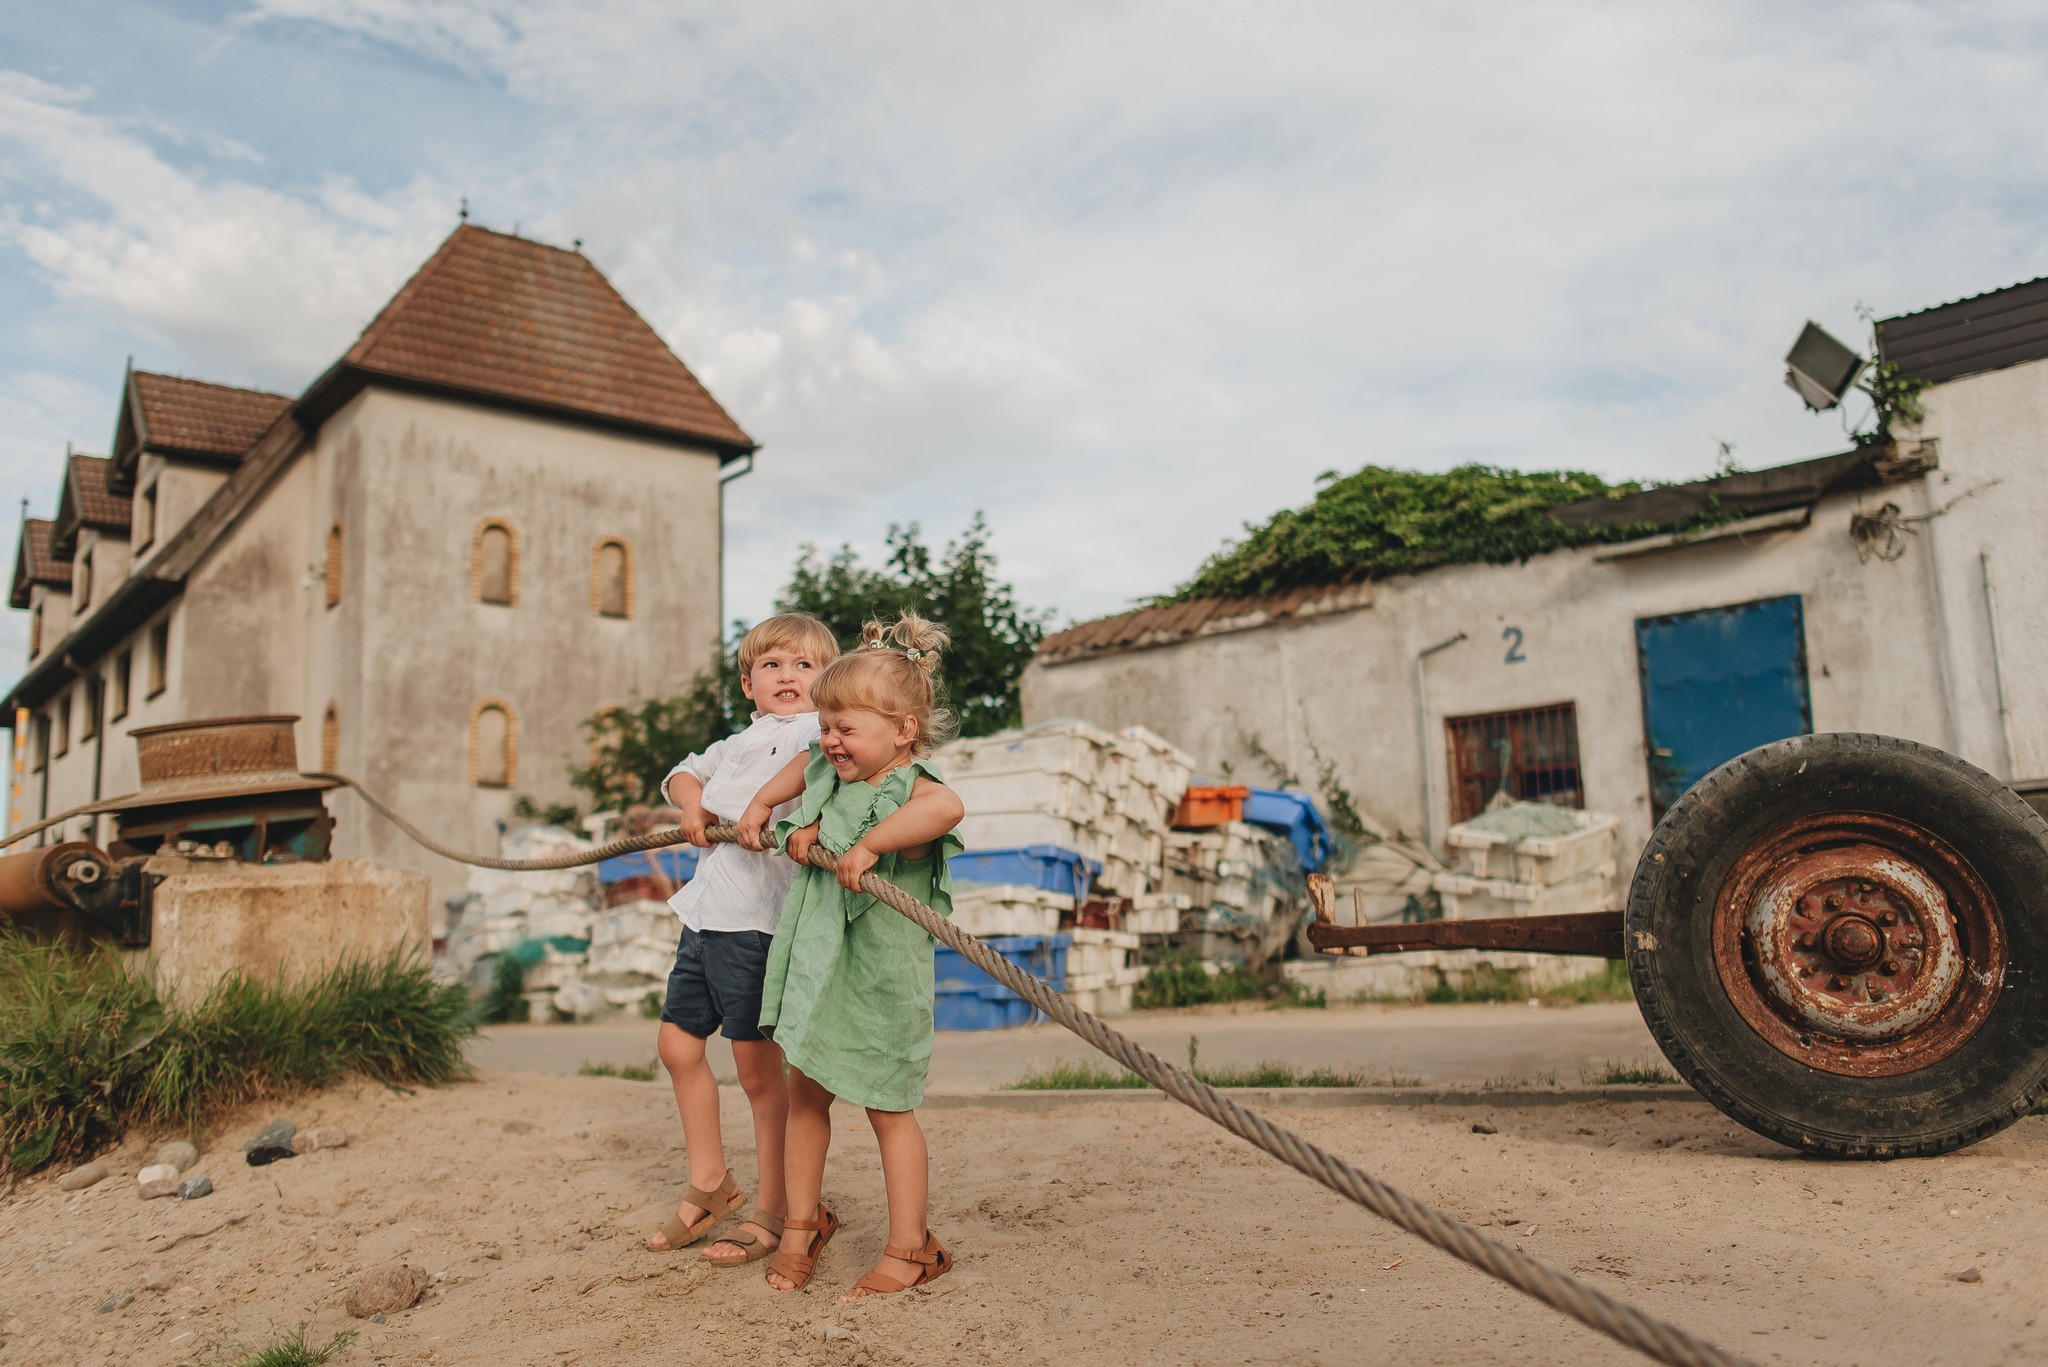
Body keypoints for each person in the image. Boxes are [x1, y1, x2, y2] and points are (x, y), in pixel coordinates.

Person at [734, 612, 966, 1302]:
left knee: (889, 1109)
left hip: (878, 981)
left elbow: (947, 806)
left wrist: (866, 847)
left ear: (903, 731)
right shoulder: (828, 778)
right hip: (819, 971)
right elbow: (793, 773)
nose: (828, 738)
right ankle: (802, 1224)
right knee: (807, 1095)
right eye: (826, 724)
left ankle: (912, 1245)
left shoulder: (912, 789)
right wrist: (769, 812)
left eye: (845, 726)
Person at [645, 612, 840, 1266]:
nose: (788, 676)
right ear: (748, 682)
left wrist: (756, 806)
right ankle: (710, 1180)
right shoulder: (735, 741)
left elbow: (815, 769)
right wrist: (692, 805)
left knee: (760, 1073)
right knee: (676, 1044)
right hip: (704, 915)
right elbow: (680, 771)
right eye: (773, 666)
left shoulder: (820, 732)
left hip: (758, 920)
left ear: (828, 682)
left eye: (805, 665)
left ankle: (775, 1207)